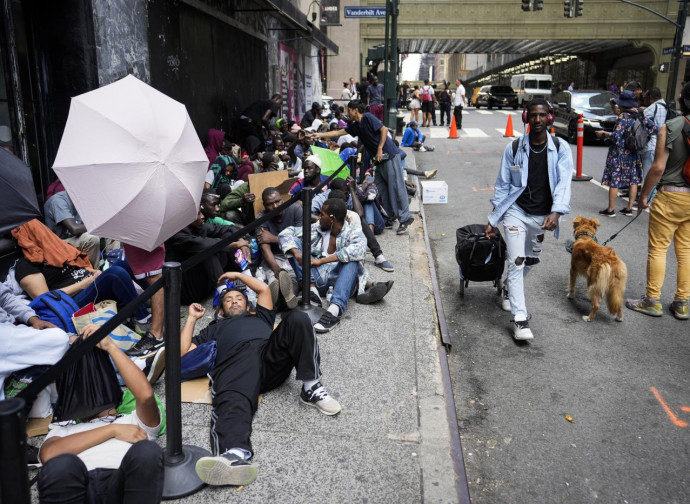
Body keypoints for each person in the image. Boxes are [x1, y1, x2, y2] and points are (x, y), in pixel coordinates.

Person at [180, 272, 341, 487]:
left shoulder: (260, 316)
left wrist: (238, 274)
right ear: (220, 311)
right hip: (236, 364)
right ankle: (234, 453)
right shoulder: (212, 329)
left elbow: (264, 290)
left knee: (298, 317)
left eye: (239, 298)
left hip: (269, 358)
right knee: (232, 398)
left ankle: (310, 387)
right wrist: (191, 318)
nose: (234, 300)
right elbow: (182, 353)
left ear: (248, 306)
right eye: (228, 300)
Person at [38, 324, 163, 503]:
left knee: (147, 451)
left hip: (123, 484)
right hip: (78, 487)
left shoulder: (132, 419)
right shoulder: (63, 429)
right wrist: (112, 430)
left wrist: (110, 347)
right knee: (60, 466)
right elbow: (49, 455)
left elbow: (145, 396)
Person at [485, 99, 573, 341]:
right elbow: (503, 186)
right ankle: (520, 320)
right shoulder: (513, 148)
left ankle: (507, 290)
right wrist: (494, 219)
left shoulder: (561, 148)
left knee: (531, 261)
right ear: (526, 117)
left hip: (543, 217)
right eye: (533, 115)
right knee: (517, 261)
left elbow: (564, 183)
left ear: (550, 118)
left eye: (542, 115)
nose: (537, 120)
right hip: (516, 212)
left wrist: (557, 212)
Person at [626, 82, 690, 320]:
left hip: (671, 196)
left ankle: (652, 300)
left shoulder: (671, 127)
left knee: (658, 249)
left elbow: (657, 168)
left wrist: (643, 196)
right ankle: (682, 303)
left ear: (683, 101)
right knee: (685, 251)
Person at [280, 198, 391, 333]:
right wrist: (297, 253)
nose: (318, 217)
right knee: (293, 244)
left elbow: (358, 250)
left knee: (352, 260)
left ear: (332, 218)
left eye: (322, 214)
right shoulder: (316, 228)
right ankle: (311, 291)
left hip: (338, 281)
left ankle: (334, 311)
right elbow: (286, 233)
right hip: (313, 278)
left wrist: (321, 261)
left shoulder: (353, 232)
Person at [311, 100, 414, 235]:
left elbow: (383, 129)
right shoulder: (356, 126)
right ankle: (389, 217)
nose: (348, 113)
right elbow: (338, 133)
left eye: (349, 110)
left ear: (355, 110)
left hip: (388, 155)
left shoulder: (368, 117)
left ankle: (405, 218)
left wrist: (379, 148)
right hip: (378, 161)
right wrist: (318, 135)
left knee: (396, 187)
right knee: (380, 189)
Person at [0, 282, 69, 400]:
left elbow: (5, 298)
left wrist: (33, 319)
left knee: (60, 339)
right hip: (6, 337)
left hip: (11, 328)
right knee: (58, 339)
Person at [165, 209, 247, 305]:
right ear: (185, 217)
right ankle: (225, 295)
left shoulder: (196, 226)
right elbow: (204, 245)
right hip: (188, 291)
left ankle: (247, 278)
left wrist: (240, 240)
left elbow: (226, 228)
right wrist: (235, 244)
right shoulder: (176, 235)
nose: (202, 216)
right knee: (209, 251)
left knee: (228, 236)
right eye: (198, 214)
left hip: (203, 281)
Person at [311, 178, 394, 272]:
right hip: (330, 226)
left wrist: (352, 190)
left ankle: (378, 255)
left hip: (376, 224)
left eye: (346, 194)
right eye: (345, 194)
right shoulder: (322, 198)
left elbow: (359, 214)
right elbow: (306, 213)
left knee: (365, 208)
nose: (346, 196)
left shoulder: (349, 194)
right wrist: (324, 219)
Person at [595, 90, 657, 217]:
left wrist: (604, 133)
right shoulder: (640, 114)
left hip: (619, 153)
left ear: (622, 104)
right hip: (634, 152)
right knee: (633, 180)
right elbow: (654, 128)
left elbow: (617, 137)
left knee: (615, 180)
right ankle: (629, 208)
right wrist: (644, 138)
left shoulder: (623, 117)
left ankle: (611, 209)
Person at [256, 187, 301, 308]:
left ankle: (286, 297)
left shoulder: (295, 210)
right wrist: (276, 269)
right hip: (273, 257)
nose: (275, 206)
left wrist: (273, 238)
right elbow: (265, 248)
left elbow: (301, 239)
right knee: (273, 277)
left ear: (282, 199)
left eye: (278, 201)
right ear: (265, 206)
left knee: (292, 277)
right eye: (270, 204)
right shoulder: (261, 217)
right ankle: (276, 295)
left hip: (293, 253)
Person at [43, 190, 102, 268]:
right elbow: (74, 229)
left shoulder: (83, 200)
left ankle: (114, 266)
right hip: (59, 242)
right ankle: (92, 274)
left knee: (112, 233)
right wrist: (99, 225)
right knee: (91, 238)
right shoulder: (59, 201)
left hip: (76, 237)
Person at [641, 87, 668, 179]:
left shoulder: (653, 107)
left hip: (651, 145)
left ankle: (647, 193)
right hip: (663, 144)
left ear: (651, 97)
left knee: (648, 175)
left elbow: (640, 117)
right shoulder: (665, 106)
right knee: (656, 175)